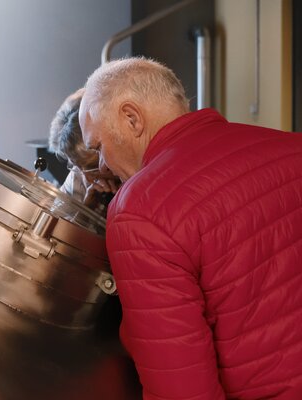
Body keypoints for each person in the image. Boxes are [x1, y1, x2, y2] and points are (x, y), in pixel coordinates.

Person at [79, 56, 302, 399]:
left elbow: (181, 388)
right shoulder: (293, 147)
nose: (104, 165)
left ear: (131, 118)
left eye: (98, 147)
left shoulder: (139, 211)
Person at [48, 88, 119, 216]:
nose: (86, 177)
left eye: (93, 169)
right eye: (75, 164)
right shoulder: (78, 173)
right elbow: (55, 221)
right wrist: (85, 212)